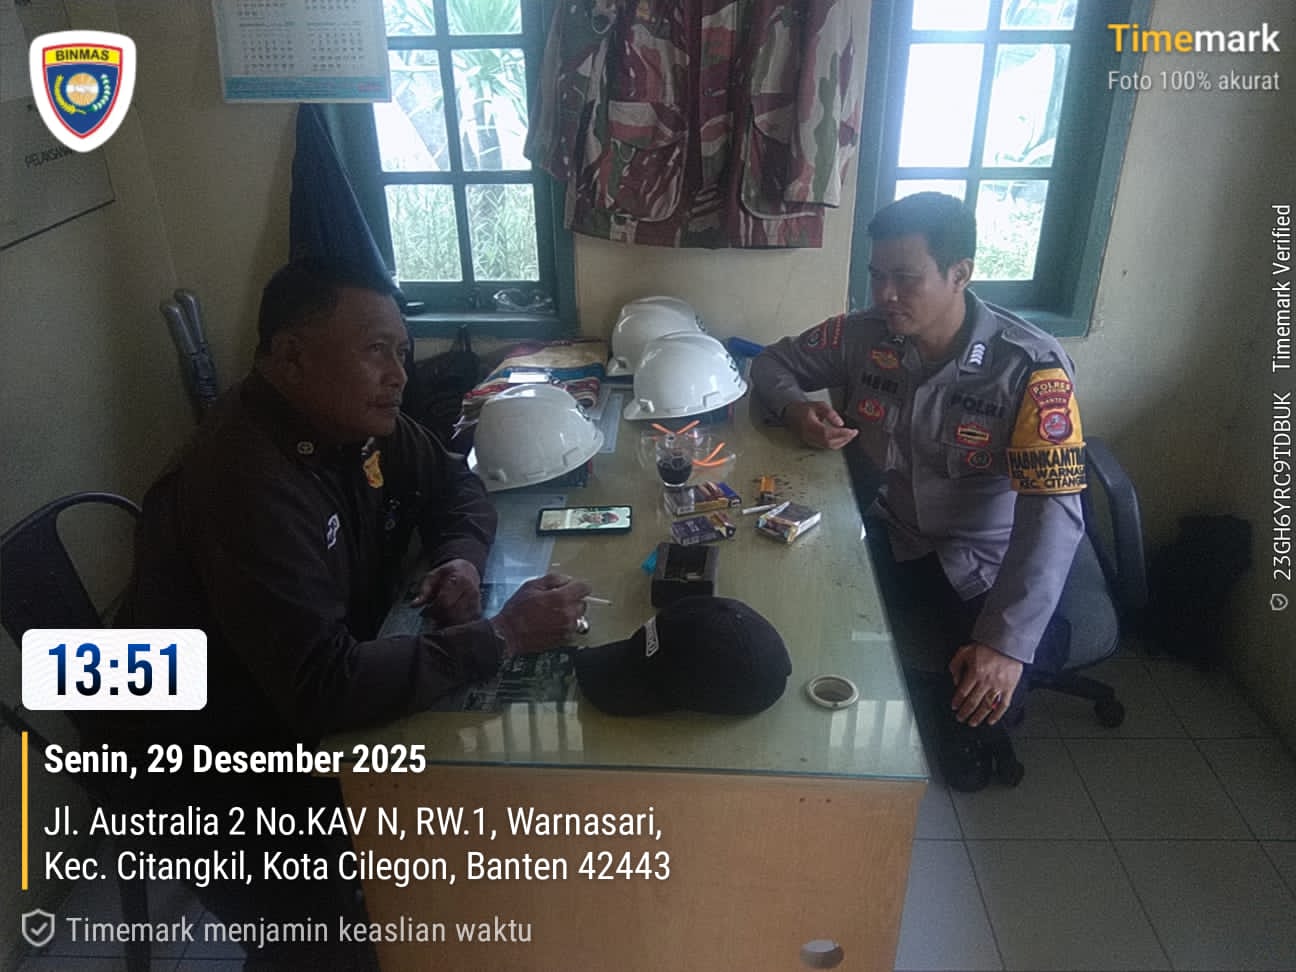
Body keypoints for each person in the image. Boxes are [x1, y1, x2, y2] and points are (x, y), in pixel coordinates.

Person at [85, 258, 592, 968]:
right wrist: (501, 634)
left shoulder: (353, 421)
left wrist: (460, 559)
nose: (400, 375)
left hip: (286, 707)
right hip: (204, 766)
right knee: (367, 923)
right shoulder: (242, 480)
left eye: (402, 352)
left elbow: (456, 485)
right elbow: (323, 688)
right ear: (291, 356)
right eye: (376, 350)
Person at [751, 192, 1086, 790]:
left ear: (960, 273)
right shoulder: (863, 335)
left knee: (986, 710)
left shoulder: (1029, 367)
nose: (885, 294)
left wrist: (1005, 646)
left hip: (983, 561)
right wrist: (798, 409)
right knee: (793, 610)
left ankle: (964, 699)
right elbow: (772, 364)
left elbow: (1052, 514)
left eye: (905, 278)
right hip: (895, 534)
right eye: (877, 275)